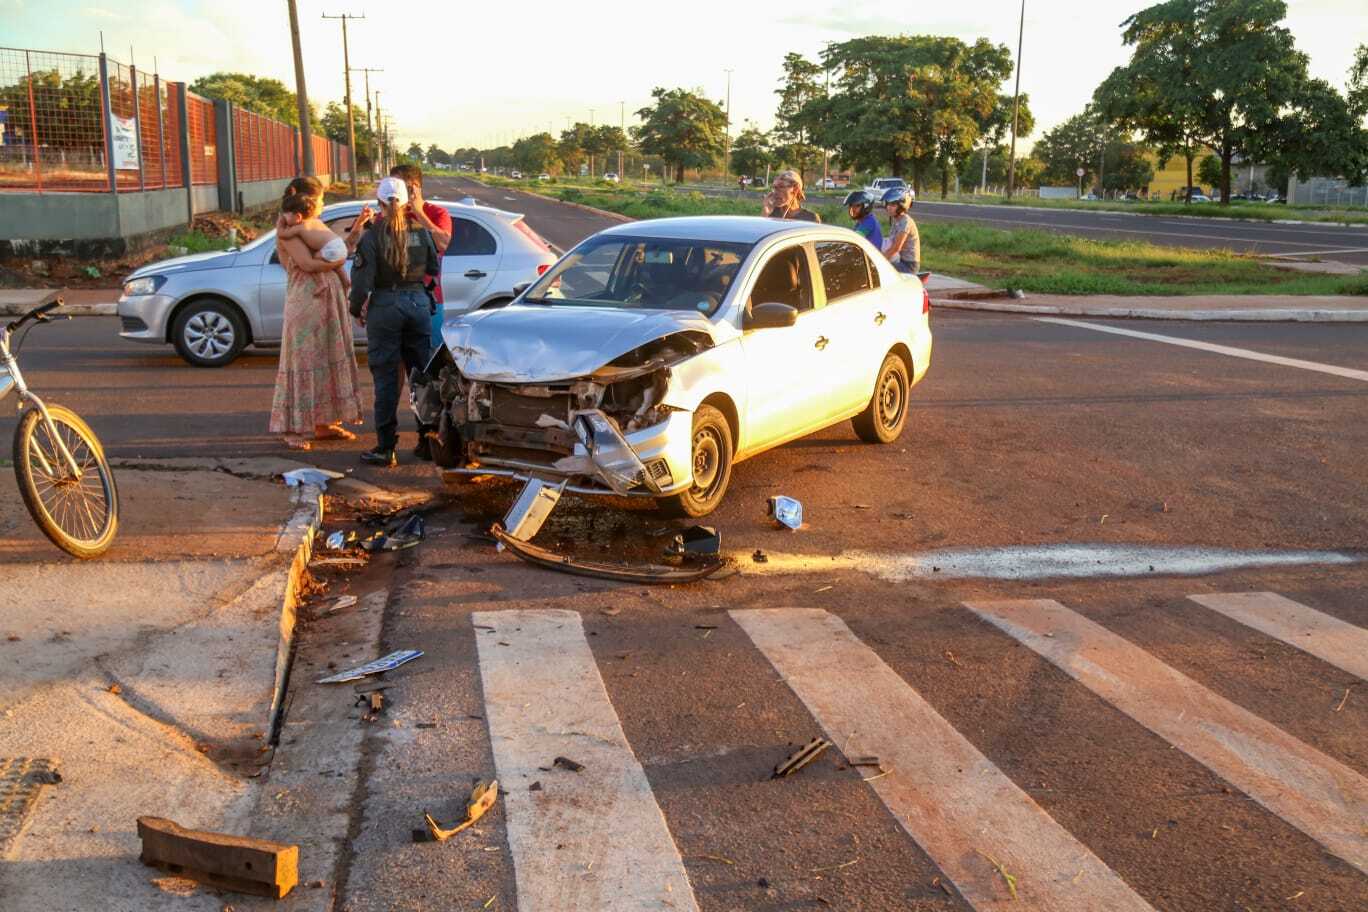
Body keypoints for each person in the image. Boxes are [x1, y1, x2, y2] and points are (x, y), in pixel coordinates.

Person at [348, 163, 452, 460]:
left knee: (385, 379)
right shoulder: (421, 231)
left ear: (380, 202)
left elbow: (361, 282)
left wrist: (357, 309)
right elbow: (432, 267)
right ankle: (426, 441)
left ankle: (386, 448)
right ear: (407, 199)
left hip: (385, 306)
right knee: (421, 376)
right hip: (418, 303)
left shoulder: (372, 235)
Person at [269, 177, 363, 450]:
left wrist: (356, 228)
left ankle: (323, 423)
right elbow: (307, 263)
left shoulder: (311, 224)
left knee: (326, 357)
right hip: (306, 298)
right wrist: (336, 262)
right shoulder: (290, 227)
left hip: (326, 299)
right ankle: (294, 428)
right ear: (308, 201)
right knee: (303, 362)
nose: (323, 204)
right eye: (321, 199)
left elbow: (334, 247)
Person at [278, 192, 350, 294]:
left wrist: (280, 223)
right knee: (336, 264)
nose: (285, 219)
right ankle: (345, 281)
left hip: (330, 248)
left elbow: (283, 234)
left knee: (315, 260)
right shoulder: (317, 222)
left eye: (286, 217)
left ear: (298, 217)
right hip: (339, 244)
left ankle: (321, 282)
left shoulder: (298, 228)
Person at [881, 186, 920, 274]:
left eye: (893, 205)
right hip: (899, 260)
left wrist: (880, 260)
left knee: (879, 272)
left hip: (908, 265)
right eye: (887, 204)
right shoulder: (896, 220)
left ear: (902, 205)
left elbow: (896, 247)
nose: (888, 207)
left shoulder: (905, 221)